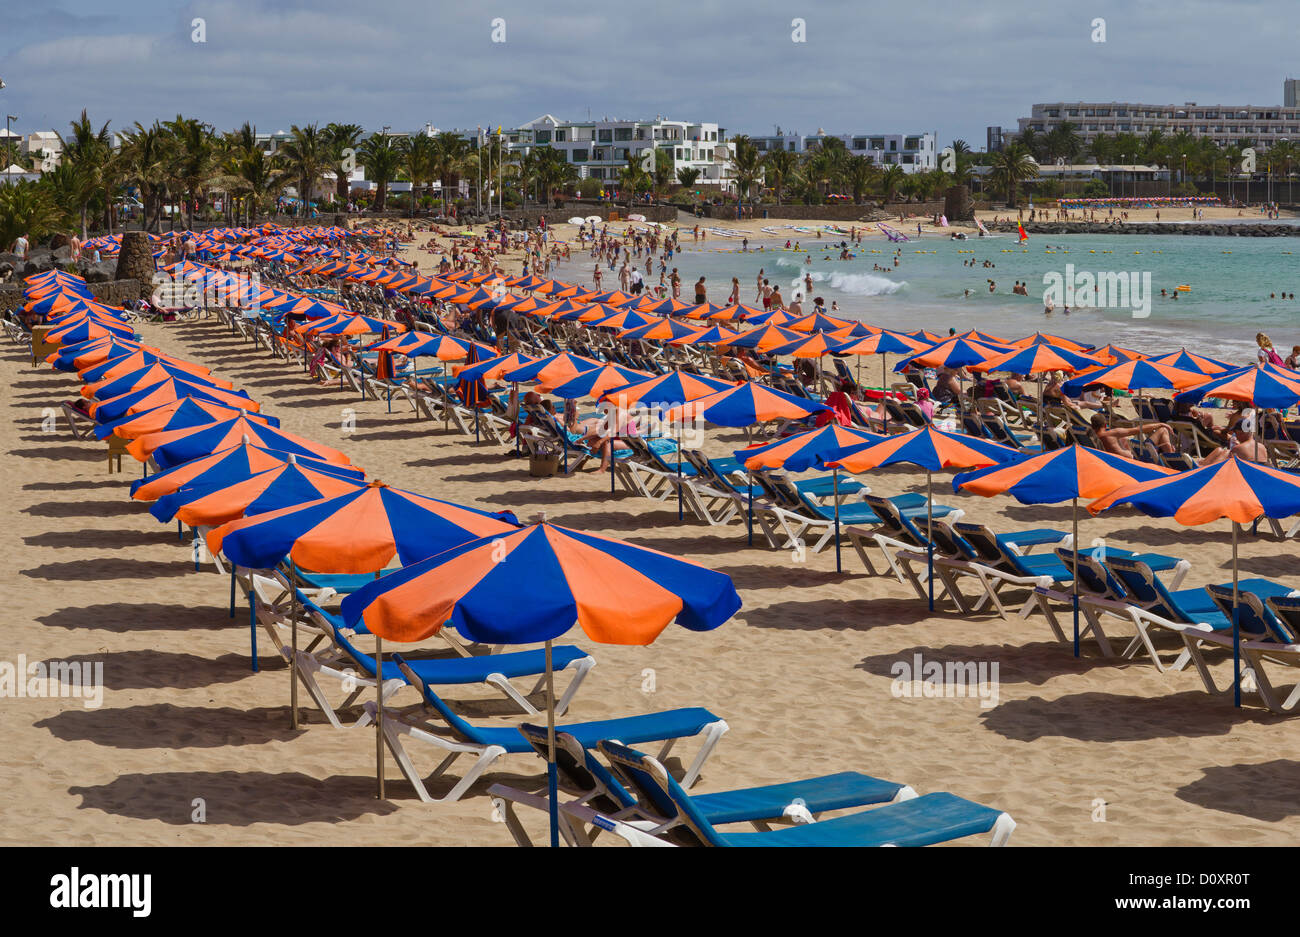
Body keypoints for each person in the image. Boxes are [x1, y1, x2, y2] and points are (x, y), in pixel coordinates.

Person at [1090, 413, 1176, 454]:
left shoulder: (1092, 438)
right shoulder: (1111, 434)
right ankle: (1171, 459)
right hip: (1137, 458)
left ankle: (1169, 453)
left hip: (1116, 461)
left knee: (1124, 439)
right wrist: (1160, 424)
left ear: (1093, 426)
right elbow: (1138, 429)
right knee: (1163, 430)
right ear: (1105, 424)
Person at [1199, 418, 1268, 465]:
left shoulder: (1239, 448)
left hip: (1245, 477)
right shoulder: (1262, 447)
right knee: (1220, 450)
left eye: (1235, 432)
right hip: (1257, 474)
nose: (1235, 435)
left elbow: (1222, 466)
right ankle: (1201, 463)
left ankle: (1202, 467)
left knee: (1226, 452)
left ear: (1242, 432)